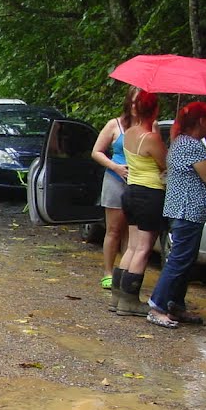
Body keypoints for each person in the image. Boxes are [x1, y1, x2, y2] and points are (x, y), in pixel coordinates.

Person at [146, 102, 206, 328]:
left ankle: (175, 303)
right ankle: (157, 305)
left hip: (183, 210)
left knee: (186, 261)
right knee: (179, 260)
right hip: (187, 210)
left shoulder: (182, 143)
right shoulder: (191, 146)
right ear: (200, 121)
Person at [115, 91, 166, 317]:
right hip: (150, 192)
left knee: (133, 246)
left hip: (131, 191)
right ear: (154, 110)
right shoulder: (151, 138)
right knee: (144, 248)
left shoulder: (129, 133)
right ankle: (130, 301)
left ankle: (118, 297)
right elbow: (164, 164)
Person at [91, 86, 138, 299]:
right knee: (114, 230)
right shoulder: (114, 124)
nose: (137, 106)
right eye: (135, 101)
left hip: (139, 182)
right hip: (115, 179)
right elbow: (96, 152)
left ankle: (126, 273)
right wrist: (115, 167)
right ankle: (108, 272)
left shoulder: (150, 126)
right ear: (128, 102)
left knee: (132, 231)